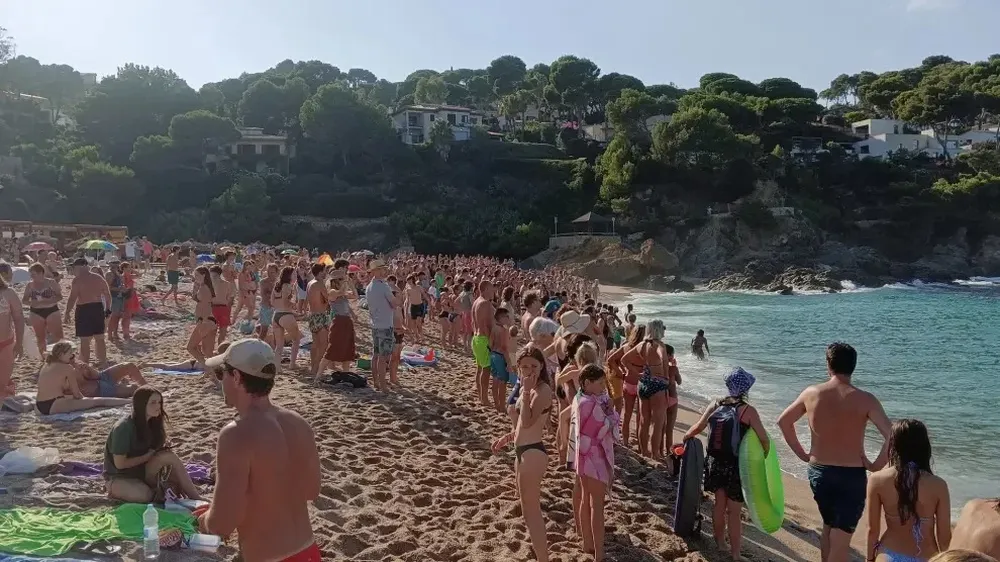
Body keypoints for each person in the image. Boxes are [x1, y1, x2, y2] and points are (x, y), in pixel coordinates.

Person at [199, 339, 321, 562]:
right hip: (308, 551)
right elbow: (311, 491)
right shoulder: (298, 423)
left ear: (236, 377)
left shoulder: (236, 435)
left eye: (220, 374)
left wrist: (204, 520)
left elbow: (223, 522)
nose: (220, 382)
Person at [777, 342, 893, 562]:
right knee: (841, 539)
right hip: (851, 476)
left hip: (819, 472)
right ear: (853, 367)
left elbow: (784, 421)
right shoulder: (865, 399)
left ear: (828, 365)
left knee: (829, 526)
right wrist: (876, 465)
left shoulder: (812, 393)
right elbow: (892, 435)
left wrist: (802, 454)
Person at [682, 367, 770, 561]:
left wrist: (685, 437)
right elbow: (764, 439)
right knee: (735, 510)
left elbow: (699, 426)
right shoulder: (748, 411)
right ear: (747, 389)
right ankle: (736, 553)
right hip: (736, 465)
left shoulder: (715, 404)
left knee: (719, 504)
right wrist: (764, 456)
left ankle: (721, 543)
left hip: (715, 461)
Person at [492, 346, 553, 562]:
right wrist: (508, 438)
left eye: (533, 366)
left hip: (533, 453)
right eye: (524, 365)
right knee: (527, 511)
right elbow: (521, 427)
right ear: (518, 367)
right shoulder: (531, 388)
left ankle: (544, 559)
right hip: (522, 450)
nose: (528, 370)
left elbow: (528, 421)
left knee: (532, 512)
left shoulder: (543, 390)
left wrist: (525, 391)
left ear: (542, 366)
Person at [866, 419, 952, 562]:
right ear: (925, 447)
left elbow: (872, 530)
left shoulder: (877, 480)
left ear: (894, 445)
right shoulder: (938, 485)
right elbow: (944, 538)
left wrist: (869, 559)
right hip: (927, 557)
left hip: (889, 554)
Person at [104, 386, 203, 502]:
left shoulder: (153, 423)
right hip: (119, 476)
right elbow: (120, 464)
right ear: (141, 404)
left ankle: (196, 498)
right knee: (145, 496)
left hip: (143, 471)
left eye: (160, 402)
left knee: (170, 457)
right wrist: (147, 456)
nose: (158, 406)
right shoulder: (123, 428)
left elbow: (153, 449)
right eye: (153, 402)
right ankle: (117, 490)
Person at [573, 364, 619, 561]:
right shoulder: (590, 404)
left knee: (586, 498)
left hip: (582, 454)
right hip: (594, 456)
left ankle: (587, 543)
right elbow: (605, 427)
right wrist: (611, 414)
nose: (603, 386)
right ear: (587, 383)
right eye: (600, 382)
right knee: (597, 504)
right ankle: (599, 552)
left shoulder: (579, 399)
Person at [621, 319, 672, 461]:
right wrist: (663, 365)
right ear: (659, 330)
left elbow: (624, 360)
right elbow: (662, 355)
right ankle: (655, 453)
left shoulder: (642, 345)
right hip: (658, 386)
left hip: (643, 384)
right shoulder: (659, 345)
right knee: (658, 422)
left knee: (644, 421)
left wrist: (636, 374)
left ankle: (644, 452)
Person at [35, 341, 131, 415]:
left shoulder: (47, 365)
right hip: (53, 405)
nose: (72, 356)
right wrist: (86, 400)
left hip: (38, 406)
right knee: (99, 401)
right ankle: (130, 401)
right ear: (61, 355)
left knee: (72, 399)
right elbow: (77, 394)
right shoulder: (67, 368)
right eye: (70, 354)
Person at [64, 258, 112, 365]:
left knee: (85, 340)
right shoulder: (98, 277)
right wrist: (108, 308)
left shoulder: (78, 279)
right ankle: (102, 362)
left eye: (74, 267)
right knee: (99, 338)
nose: (74, 269)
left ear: (80, 266)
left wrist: (67, 312)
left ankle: (84, 363)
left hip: (84, 309)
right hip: (97, 308)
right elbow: (107, 294)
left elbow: (73, 297)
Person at [364, 260, 397, 392]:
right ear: (376, 271)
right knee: (383, 357)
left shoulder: (369, 287)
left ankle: (377, 382)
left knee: (376, 355)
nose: (384, 271)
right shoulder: (384, 286)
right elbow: (394, 303)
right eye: (382, 269)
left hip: (375, 324)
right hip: (385, 324)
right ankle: (383, 385)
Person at [21, 263, 63, 358]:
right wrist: (33, 303)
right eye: (31, 274)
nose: (31, 276)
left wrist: (48, 301)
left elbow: (59, 296)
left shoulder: (51, 282)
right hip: (36, 311)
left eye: (33, 274)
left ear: (41, 273)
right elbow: (24, 300)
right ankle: (44, 358)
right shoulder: (30, 285)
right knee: (40, 337)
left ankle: (61, 357)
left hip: (51, 309)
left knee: (58, 335)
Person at [0, 262, 25, 398]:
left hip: (6, 342)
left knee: (3, 381)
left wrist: (20, 343)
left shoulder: (9, 293)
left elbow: (19, 319)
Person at [471, 280, 496, 406]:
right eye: (492, 289)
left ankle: (481, 395)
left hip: (476, 338)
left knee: (480, 368)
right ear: (485, 289)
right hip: (483, 338)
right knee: (486, 370)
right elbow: (486, 325)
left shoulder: (476, 302)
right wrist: (492, 340)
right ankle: (484, 398)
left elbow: (473, 323)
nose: (494, 291)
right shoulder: (485, 303)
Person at [305, 263, 330, 376]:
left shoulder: (310, 283)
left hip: (312, 315)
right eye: (324, 271)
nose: (326, 273)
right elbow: (328, 299)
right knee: (323, 345)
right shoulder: (320, 284)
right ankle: (316, 367)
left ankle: (313, 367)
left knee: (315, 344)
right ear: (320, 272)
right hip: (320, 315)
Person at [77, 360, 148, 399]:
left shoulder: (73, 361)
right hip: (100, 390)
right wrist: (79, 376)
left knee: (129, 366)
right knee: (134, 388)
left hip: (102, 377)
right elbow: (78, 390)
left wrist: (87, 368)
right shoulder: (67, 371)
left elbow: (96, 375)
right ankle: (123, 385)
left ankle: (149, 389)